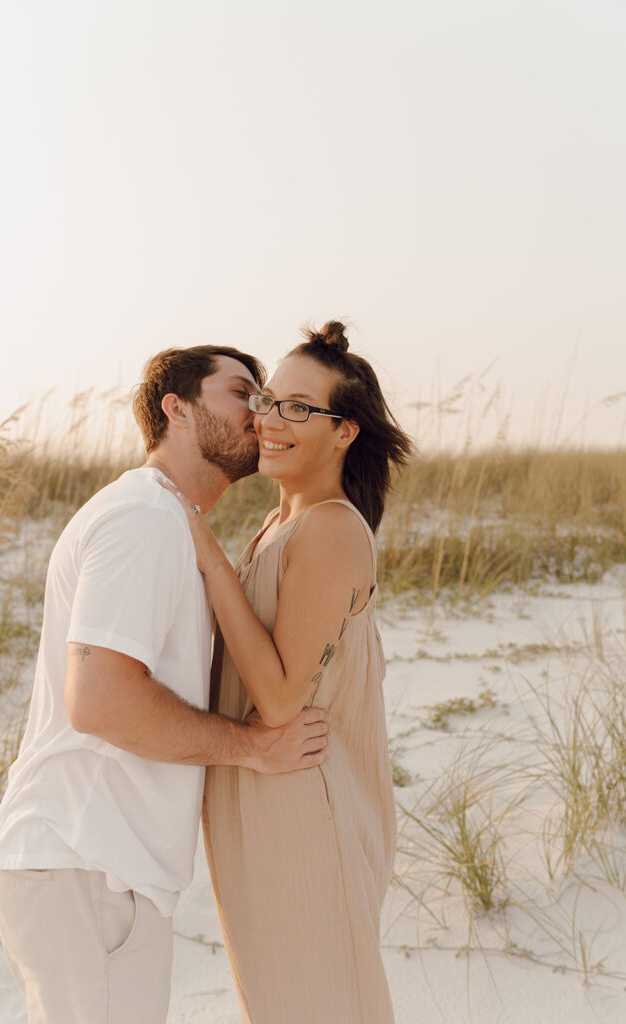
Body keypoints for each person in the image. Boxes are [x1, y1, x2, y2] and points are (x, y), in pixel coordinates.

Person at [0, 344, 329, 1024]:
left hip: (93, 866)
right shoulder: (143, 518)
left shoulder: (166, 520)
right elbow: (101, 700)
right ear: (177, 408)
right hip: (87, 861)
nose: (259, 412)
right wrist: (252, 749)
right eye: (239, 393)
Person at [172, 321, 412, 1023]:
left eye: (300, 408)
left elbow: (277, 700)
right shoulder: (278, 526)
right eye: (272, 400)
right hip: (260, 801)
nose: (271, 419)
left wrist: (205, 553)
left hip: (306, 808)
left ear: (345, 432)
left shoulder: (332, 527)